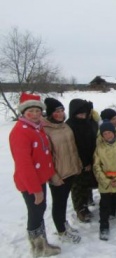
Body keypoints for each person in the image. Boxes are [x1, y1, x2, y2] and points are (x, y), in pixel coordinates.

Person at [9, 92, 61, 257]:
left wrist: (50, 175)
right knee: (35, 212)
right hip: (31, 183)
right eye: (31, 111)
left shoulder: (37, 128)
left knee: (40, 210)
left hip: (40, 179)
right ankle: (38, 248)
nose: (35, 114)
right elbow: (24, 165)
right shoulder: (20, 132)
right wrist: (35, 189)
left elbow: (44, 154)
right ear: (24, 112)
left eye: (38, 111)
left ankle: (42, 243)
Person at [43, 97, 82, 244]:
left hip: (70, 170)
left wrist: (77, 164)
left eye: (61, 110)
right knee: (58, 202)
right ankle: (61, 231)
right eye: (56, 111)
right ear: (50, 113)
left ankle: (64, 224)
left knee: (64, 201)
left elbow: (73, 148)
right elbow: (47, 156)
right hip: (58, 174)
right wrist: (53, 176)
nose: (60, 113)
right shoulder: (46, 130)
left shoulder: (65, 126)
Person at [66, 99, 97, 223]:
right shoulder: (69, 126)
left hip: (91, 158)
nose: (82, 116)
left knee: (88, 182)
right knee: (78, 186)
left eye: (84, 114)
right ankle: (81, 209)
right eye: (80, 114)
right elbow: (73, 147)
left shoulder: (88, 123)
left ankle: (88, 200)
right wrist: (83, 163)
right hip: (77, 161)